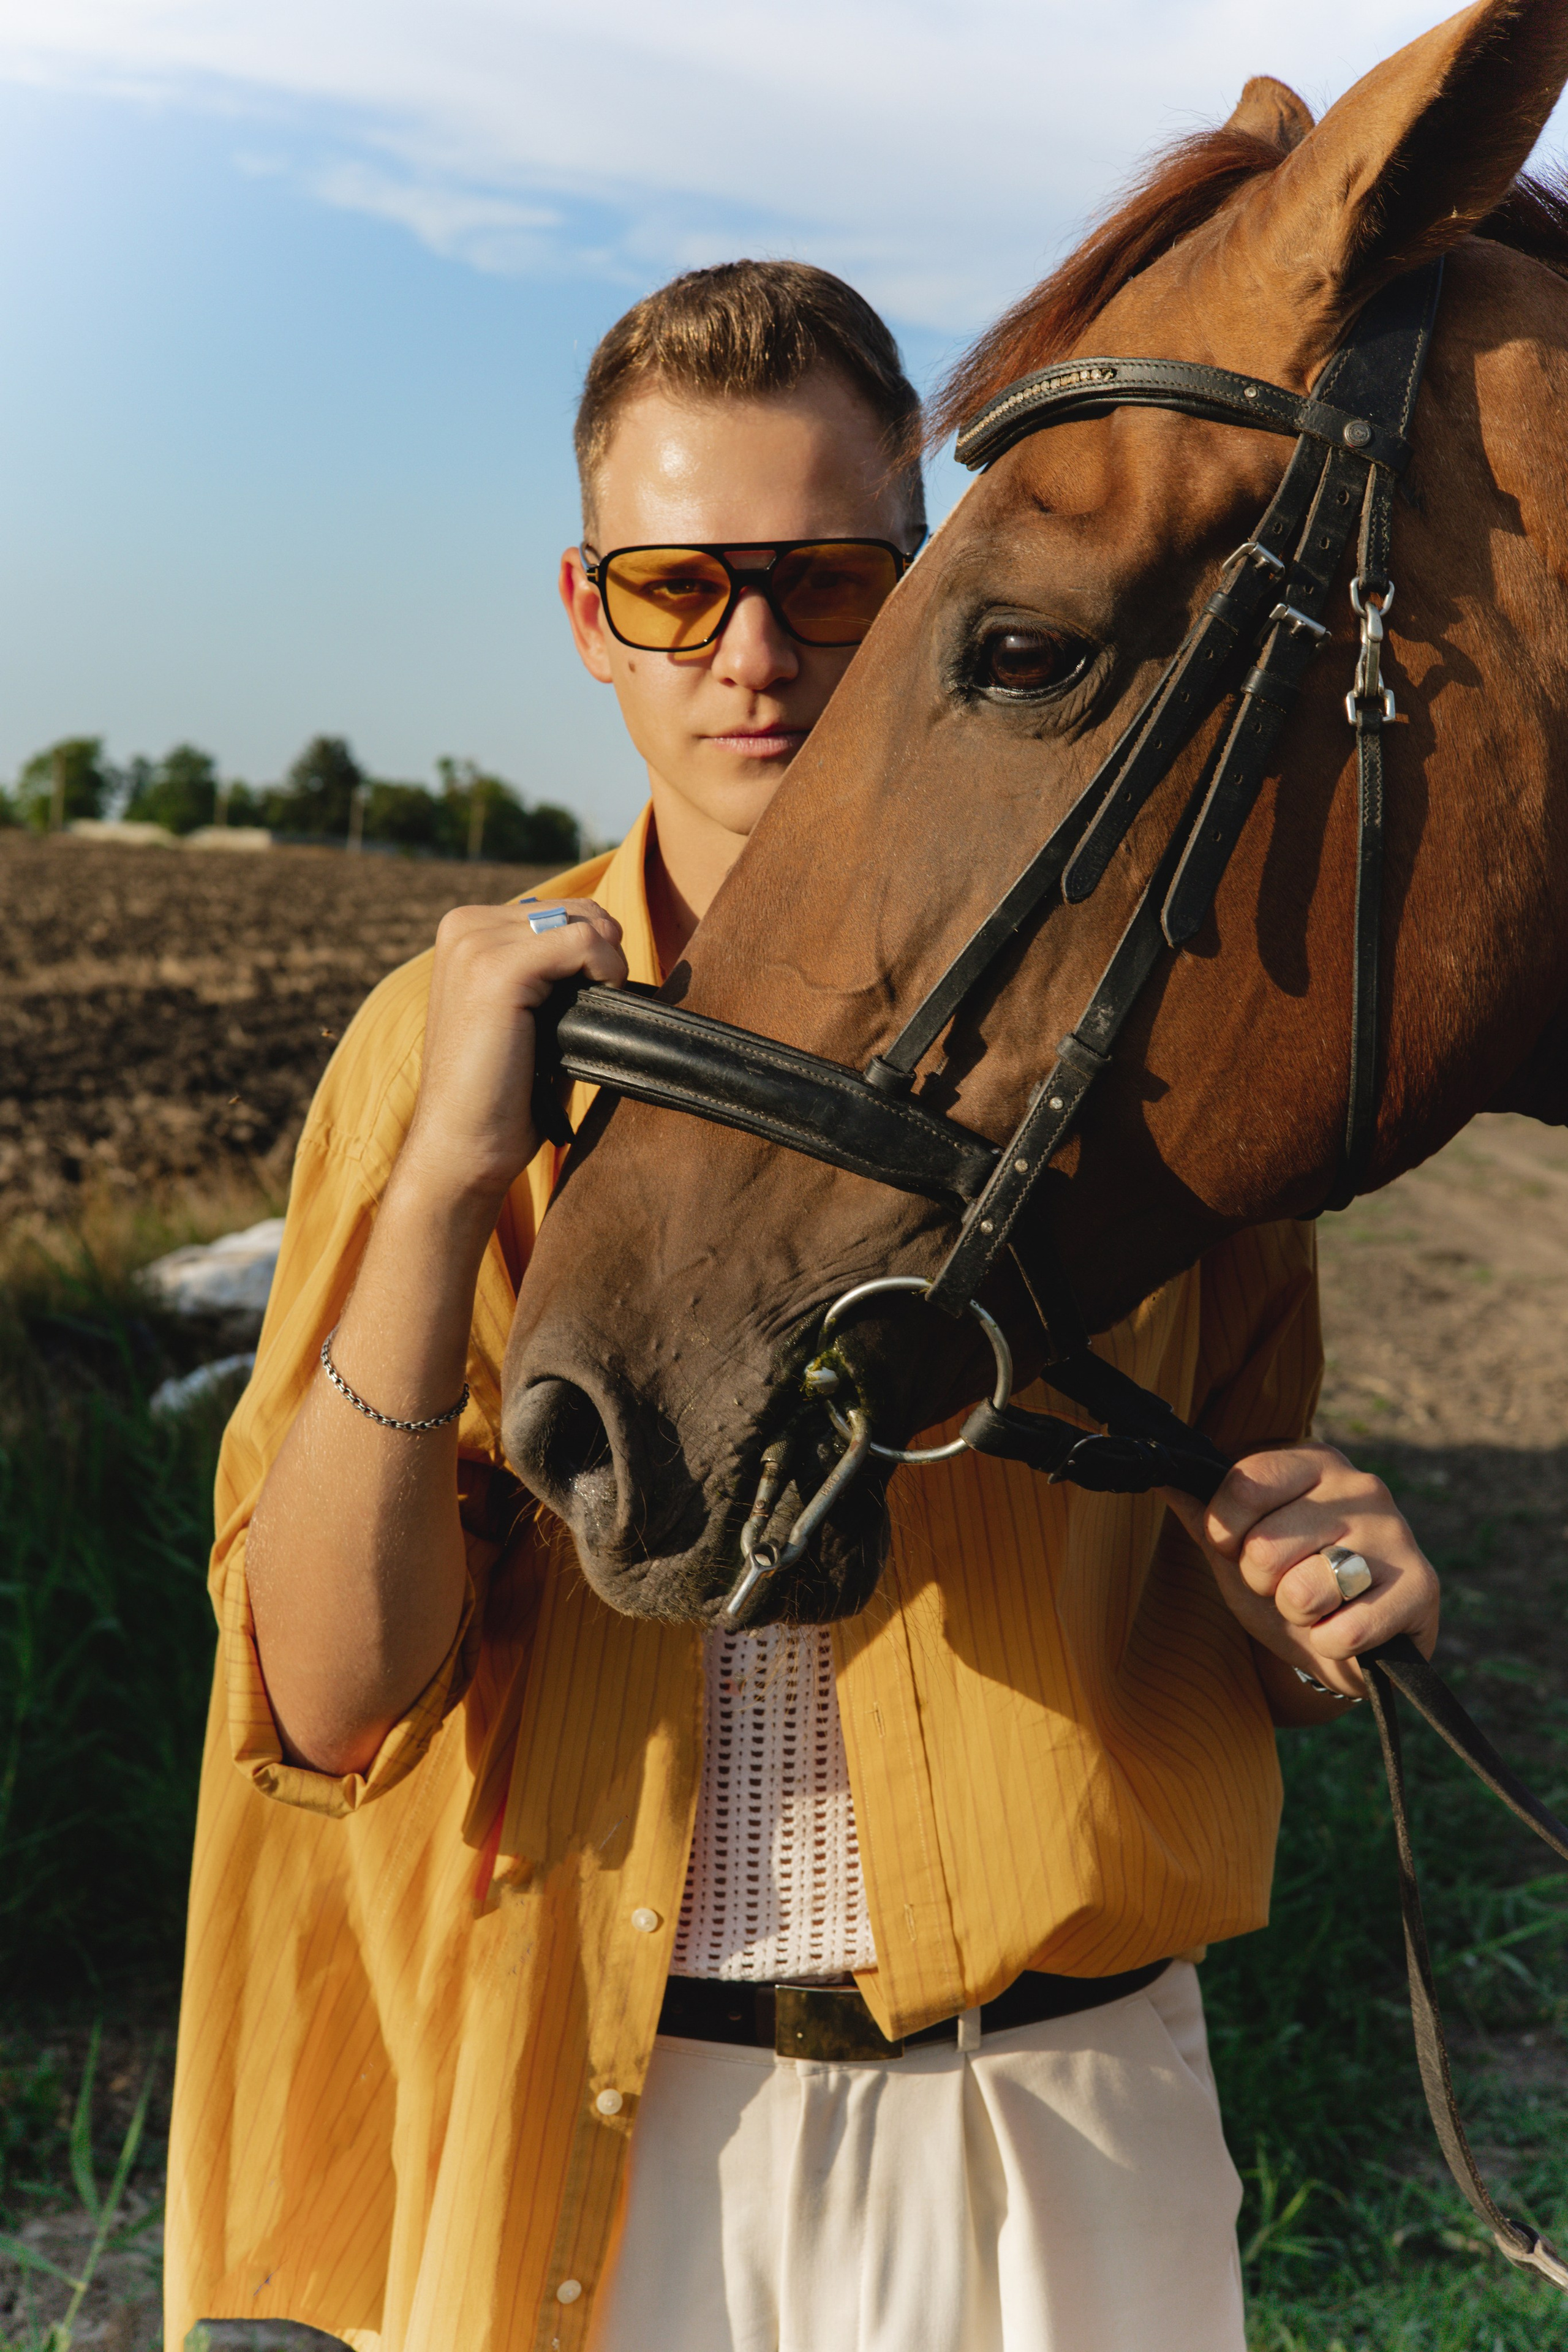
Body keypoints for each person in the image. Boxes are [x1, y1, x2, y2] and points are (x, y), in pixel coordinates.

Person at [164, 260, 1440, 2352]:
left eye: (829, 582)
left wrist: (1316, 1594)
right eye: (679, 588)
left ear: (922, 589)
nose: (752, 654)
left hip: (1061, 2118)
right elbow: (324, 1700)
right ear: (590, 614)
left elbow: (1248, 1543)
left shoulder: (1148, 1034)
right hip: (606, 2119)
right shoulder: (442, 1049)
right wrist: (445, 1191)